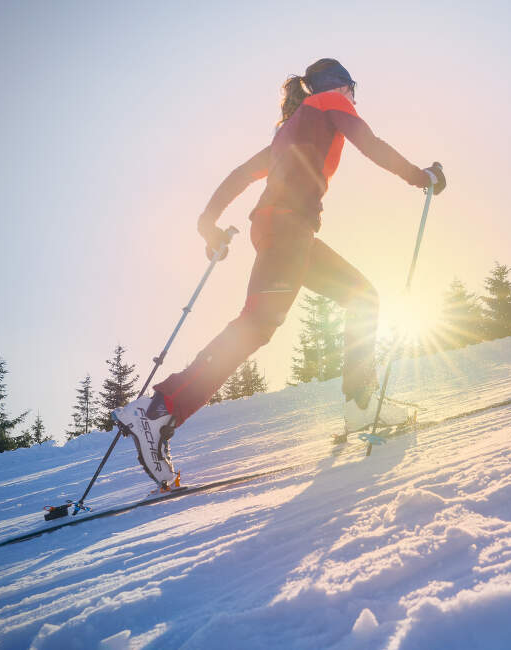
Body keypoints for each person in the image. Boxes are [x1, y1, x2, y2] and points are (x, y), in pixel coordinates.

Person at [113, 58, 446, 488]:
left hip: (290, 232)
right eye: (353, 91)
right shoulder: (330, 102)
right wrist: (422, 177)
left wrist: (208, 223)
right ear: (343, 86)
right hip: (287, 228)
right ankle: (157, 410)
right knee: (257, 325)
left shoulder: (290, 128)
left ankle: (360, 402)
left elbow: (239, 175)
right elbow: (371, 143)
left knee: (361, 296)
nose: (354, 99)